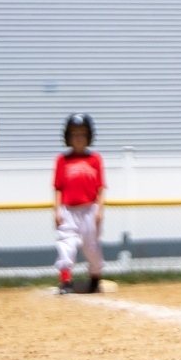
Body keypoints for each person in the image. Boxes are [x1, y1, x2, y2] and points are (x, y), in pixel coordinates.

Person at [54, 112, 105, 293]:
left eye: (83, 134)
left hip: (90, 208)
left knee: (91, 245)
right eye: (74, 134)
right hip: (68, 209)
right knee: (66, 243)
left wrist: (100, 210)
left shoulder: (95, 159)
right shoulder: (62, 160)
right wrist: (57, 209)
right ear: (68, 137)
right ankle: (66, 280)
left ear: (89, 136)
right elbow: (58, 187)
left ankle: (95, 277)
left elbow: (100, 188)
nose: (78, 138)